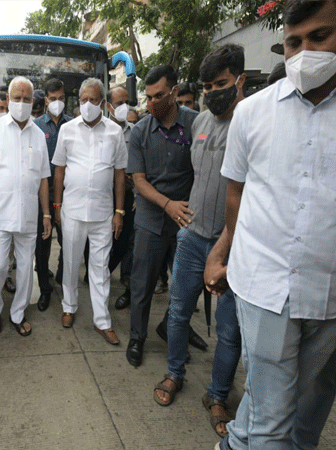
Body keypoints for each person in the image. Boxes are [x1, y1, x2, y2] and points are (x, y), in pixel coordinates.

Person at [207, 2, 336, 449]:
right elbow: (236, 194)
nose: (304, 53)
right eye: (294, 42)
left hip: (330, 293)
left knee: (310, 407)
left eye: (319, 37)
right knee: (271, 421)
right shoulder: (253, 113)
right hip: (266, 288)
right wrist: (224, 252)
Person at [152, 45, 246, 442]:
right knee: (177, 313)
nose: (213, 92)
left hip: (234, 246)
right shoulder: (200, 121)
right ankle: (175, 373)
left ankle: (218, 395)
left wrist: (228, 246)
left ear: (240, 80)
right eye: (207, 86)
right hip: (192, 237)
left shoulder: (252, 121)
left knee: (229, 330)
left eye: (221, 84)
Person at [125, 64, 205, 368]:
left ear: (174, 92)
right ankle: (137, 336)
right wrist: (167, 204)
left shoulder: (197, 124)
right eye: (148, 97)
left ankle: (173, 327)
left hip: (187, 218)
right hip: (151, 218)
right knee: (142, 284)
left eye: (158, 96)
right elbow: (139, 180)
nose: (151, 103)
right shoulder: (140, 131)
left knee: (188, 284)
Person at [52, 78, 127, 345]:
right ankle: (69, 306)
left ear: (103, 103)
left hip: (103, 213)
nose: (87, 104)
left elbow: (120, 174)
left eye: (92, 100)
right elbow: (59, 170)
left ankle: (102, 321)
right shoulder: (67, 130)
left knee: (100, 269)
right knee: (71, 263)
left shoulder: (115, 132)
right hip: (72, 210)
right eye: (83, 100)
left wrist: (119, 211)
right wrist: (57, 205)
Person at [0, 76, 52, 337]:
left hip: (28, 216)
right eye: (17, 98)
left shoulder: (38, 135)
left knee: (26, 269)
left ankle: (18, 313)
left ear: (34, 102)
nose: (21, 103)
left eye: (27, 99)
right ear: (8, 100)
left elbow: (43, 178)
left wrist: (46, 214)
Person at [33, 78, 73, 312]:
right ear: (46, 100)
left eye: (61, 98)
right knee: (42, 244)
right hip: (42, 196)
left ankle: (62, 276)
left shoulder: (73, 125)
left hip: (69, 195)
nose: (58, 102)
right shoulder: (36, 126)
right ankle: (45, 289)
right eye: (53, 98)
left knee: (69, 242)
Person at [105, 86, 136, 311]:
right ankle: (98, 273)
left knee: (123, 240)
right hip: (103, 196)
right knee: (101, 240)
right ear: (109, 106)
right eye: (119, 103)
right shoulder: (102, 130)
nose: (124, 107)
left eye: (127, 102)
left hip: (127, 196)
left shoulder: (136, 132)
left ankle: (112, 273)